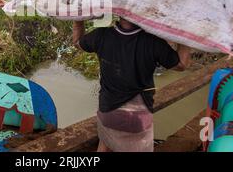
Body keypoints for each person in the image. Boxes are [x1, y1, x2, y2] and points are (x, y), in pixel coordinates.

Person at [72, 18, 191, 152]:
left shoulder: (101, 35)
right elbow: (181, 64)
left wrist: (78, 20)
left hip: (108, 111)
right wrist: (185, 32)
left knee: (105, 142)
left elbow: (77, 42)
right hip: (138, 116)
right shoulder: (153, 42)